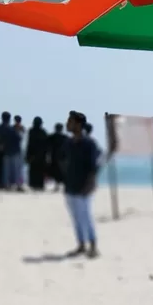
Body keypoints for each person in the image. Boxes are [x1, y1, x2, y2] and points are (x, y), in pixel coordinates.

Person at [62, 111, 102, 258]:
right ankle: (81, 244)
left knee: (86, 216)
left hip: (84, 186)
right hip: (70, 185)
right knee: (76, 217)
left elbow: (94, 167)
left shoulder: (89, 144)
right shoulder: (69, 143)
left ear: (78, 124)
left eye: (70, 121)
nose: (68, 124)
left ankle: (93, 245)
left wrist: (90, 184)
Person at [0, 111, 24, 191]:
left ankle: (7, 185)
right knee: (17, 170)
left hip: (6, 151)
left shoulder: (0, 128)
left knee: (7, 170)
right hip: (15, 151)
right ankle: (18, 185)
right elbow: (19, 138)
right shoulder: (11, 129)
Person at [25, 117, 49, 191]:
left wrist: (28, 155)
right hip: (41, 156)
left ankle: (34, 185)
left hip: (33, 155)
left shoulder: (31, 131)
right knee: (39, 171)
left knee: (34, 171)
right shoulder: (43, 132)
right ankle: (39, 185)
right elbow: (46, 146)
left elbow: (29, 144)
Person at [46, 121, 67, 189]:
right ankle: (60, 184)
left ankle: (57, 184)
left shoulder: (51, 137)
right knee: (62, 171)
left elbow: (47, 147)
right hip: (62, 157)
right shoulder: (65, 137)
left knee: (55, 171)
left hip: (54, 156)